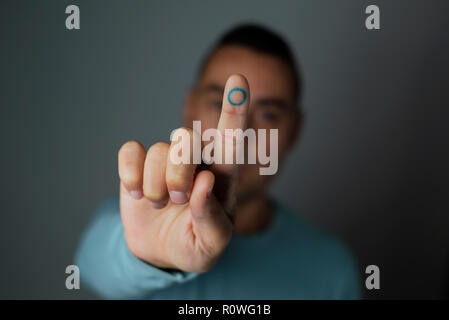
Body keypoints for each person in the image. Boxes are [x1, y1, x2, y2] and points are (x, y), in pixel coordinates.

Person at [75, 24, 361, 299]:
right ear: (189, 106)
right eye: (216, 103)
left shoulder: (331, 268)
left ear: (295, 130)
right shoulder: (133, 216)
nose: (240, 134)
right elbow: (93, 265)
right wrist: (153, 255)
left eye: (269, 114)